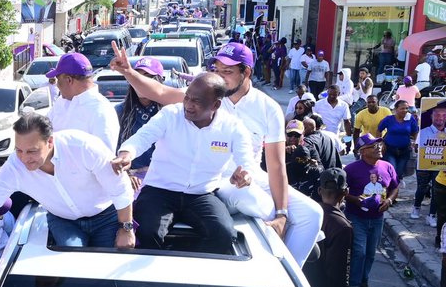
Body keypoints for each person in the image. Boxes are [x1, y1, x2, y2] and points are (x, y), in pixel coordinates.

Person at [113, 41, 323, 265]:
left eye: (228, 71)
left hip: (233, 181)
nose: (221, 77)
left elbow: (273, 165)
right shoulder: (194, 97)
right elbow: (154, 101)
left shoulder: (260, 110)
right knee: (149, 230)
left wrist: (281, 213)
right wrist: (128, 72)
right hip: (207, 183)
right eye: (217, 70)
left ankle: (285, 281)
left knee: (312, 215)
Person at [0, 113, 135, 249]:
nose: (25, 158)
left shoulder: (83, 147)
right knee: (73, 262)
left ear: (49, 142)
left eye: (32, 151)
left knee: (107, 268)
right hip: (63, 220)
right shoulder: (14, 166)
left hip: (106, 216)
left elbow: (120, 188)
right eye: (19, 150)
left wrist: (126, 228)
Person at [112, 72, 254, 254]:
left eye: (197, 101)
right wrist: (126, 153)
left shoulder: (233, 127)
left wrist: (245, 175)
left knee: (224, 234)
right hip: (158, 191)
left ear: (216, 104)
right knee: (146, 233)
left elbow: (246, 161)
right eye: (187, 98)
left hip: (201, 195)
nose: (188, 105)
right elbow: (142, 137)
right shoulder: (170, 114)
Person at [344, 134, 399, 287]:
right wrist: (356, 200)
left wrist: (389, 200)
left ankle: (363, 281)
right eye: (374, 146)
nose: (379, 148)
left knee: (371, 252)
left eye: (379, 145)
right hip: (356, 216)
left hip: (377, 218)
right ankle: (352, 285)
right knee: (359, 251)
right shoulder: (351, 169)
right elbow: (343, 191)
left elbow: (395, 187)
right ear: (363, 151)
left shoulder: (388, 167)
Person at [302, 168, 353, 287]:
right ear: (345, 192)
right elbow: (338, 275)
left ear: (319, 191)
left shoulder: (306, 213)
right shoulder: (342, 226)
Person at [45, 52, 120, 150]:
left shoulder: (102, 110)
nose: (57, 85)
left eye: (58, 80)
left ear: (69, 80)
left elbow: (103, 157)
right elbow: (43, 133)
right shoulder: (62, 101)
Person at [115, 56, 168, 169]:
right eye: (137, 77)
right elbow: (112, 151)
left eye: (148, 77)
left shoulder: (170, 112)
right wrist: (128, 173)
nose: (141, 83)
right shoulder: (120, 112)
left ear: (160, 81)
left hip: (164, 179)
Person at [377, 100, 419, 185]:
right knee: (392, 169)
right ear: (396, 109)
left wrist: (415, 142)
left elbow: (415, 132)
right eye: (402, 108)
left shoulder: (410, 119)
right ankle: (390, 191)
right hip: (390, 150)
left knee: (399, 172)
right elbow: (379, 130)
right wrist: (380, 142)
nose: (405, 110)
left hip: (405, 150)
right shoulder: (389, 119)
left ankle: (394, 189)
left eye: (407, 108)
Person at [284, 120, 324, 198]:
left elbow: (321, 168)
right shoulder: (279, 147)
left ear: (303, 135)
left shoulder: (310, 148)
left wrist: (313, 164)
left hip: (304, 188)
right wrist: (283, 151)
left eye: (296, 135)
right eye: (290, 134)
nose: (292, 138)